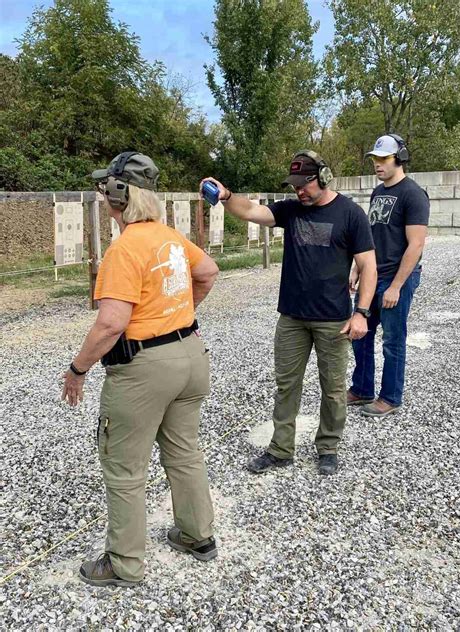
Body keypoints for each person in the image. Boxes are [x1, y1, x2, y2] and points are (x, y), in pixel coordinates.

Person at [62, 152, 219, 587]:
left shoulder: (123, 248)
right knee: (184, 452)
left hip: (145, 369)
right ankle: (197, 536)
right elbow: (208, 271)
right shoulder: (169, 237)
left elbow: (111, 323)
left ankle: (125, 563)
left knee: (124, 467)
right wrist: (180, 315)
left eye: (104, 188)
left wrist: (78, 370)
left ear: (116, 195)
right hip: (190, 355)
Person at [201, 151, 376, 476]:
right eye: (294, 185)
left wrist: (361, 313)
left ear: (323, 178)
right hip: (292, 318)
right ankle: (281, 449)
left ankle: (328, 447)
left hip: (333, 319)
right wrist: (225, 196)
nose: (299, 191)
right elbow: (252, 211)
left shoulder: (351, 214)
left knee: (334, 389)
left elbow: (368, 267)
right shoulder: (290, 210)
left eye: (305, 184)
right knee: (286, 386)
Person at [348, 135, 430, 417]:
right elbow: (370, 236)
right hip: (373, 275)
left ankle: (391, 397)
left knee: (392, 340)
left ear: (400, 159)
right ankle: (362, 388)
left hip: (396, 279)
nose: (377, 165)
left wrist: (396, 286)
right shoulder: (377, 192)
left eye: (383, 159)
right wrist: (358, 268)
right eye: (375, 159)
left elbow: (416, 244)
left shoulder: (413, 194)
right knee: (360, 333)